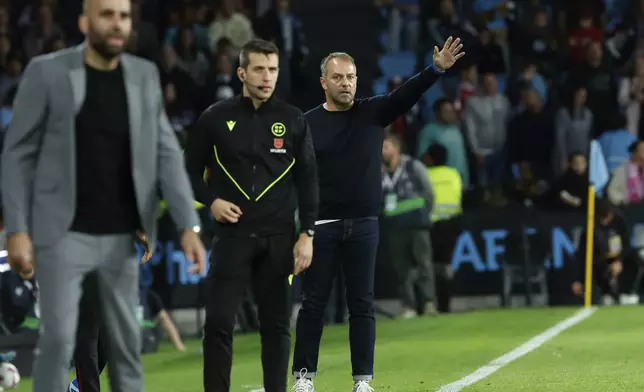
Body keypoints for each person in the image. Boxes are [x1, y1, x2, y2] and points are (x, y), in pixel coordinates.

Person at [0, 0, 207, 391]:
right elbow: (17, 154)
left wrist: (187, 224)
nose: (116, 24)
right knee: (60, 339)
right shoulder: (46, 73)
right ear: (84, 21)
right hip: (62, 235)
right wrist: (17, 229)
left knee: (125, 345)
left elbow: (164, 152)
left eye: (124, 16)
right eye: (106, 14)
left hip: (118, 237)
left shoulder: (143, 76)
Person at [291, 37, 465, 392]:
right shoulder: (305, 124)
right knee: (313, 305)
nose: (346, 83)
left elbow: (406, 95)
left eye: (351, 77)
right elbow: (295, 178)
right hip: (321, 226)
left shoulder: (372, 111)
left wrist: (435, 70)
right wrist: (301, 228)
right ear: (324, 82)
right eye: (338, 78)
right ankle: (304, 377)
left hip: (365, 225)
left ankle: (362, 381)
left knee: (362, 305)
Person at [184, 38, 319, 392]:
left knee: (276, 327)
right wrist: (211, 201)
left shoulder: (292, 119)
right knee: (217, 324)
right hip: (232, 238)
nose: (267, 77)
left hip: (279, 239)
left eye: (272, 69)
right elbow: (186, 171)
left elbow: (308, 179)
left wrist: (307, 234)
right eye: (259, 69)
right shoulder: (215, 117)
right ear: (242, 72)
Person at [380, 133, 436, 319]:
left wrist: (423, 215)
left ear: (397, 149)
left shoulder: (413, 166)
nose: (382, 151)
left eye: (386, 147)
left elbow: (429, 192)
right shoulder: (378, 172)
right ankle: (408, 306)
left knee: (424, 265)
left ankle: (428, 304)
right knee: (401, 269)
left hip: (417, 225)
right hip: (395, 227)